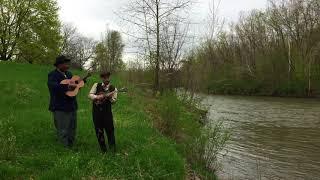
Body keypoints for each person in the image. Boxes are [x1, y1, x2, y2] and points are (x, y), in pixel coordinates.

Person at [47, 55, 78, 148]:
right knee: (63, 130)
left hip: (71, 105)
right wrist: (67, 87)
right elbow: (53, 87)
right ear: (59, 65)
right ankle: (64, 150)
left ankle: (71, 146)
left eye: (68, 63)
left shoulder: (69, 74)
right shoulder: (53, 75)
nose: (67, 65)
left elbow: (73, 88)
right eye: (65, 63)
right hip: (60, 107)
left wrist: (78, 86)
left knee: (72, 128)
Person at [88, 72, 118, 153]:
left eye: (108, 77)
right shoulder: (96, 85)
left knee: (110, 130)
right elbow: (90, 95)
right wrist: (97, 97)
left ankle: (113, 149)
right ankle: (103, 150)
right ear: (102, 78)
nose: (106, 79)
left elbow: (114, 101)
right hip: (96, 112)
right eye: (104, 78)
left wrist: (110, 98)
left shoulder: (113, 88)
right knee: (99, 130)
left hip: (107, 112)